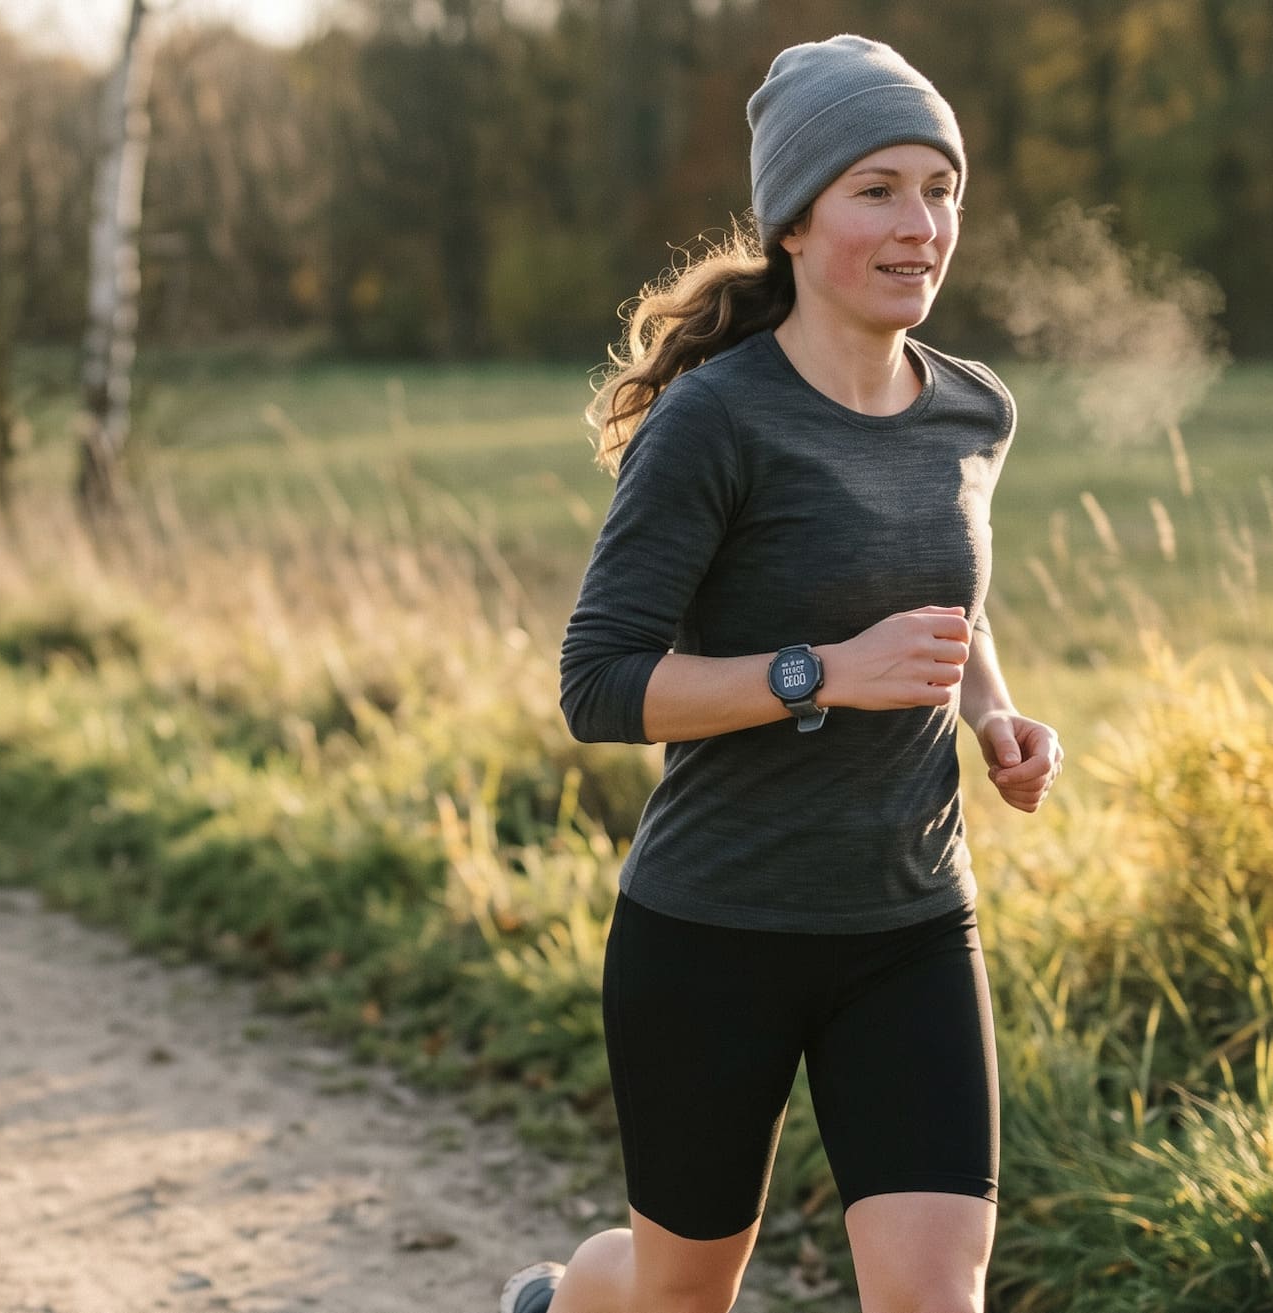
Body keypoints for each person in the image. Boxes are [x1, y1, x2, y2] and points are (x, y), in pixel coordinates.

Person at [498, 33, 1066, 1313]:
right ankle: (562, 1300)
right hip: (713, 928)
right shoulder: (716, 418)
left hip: (911, 920)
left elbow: (944, 597)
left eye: (940, 187)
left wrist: (992, 711)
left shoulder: (972, 411)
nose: (922, 223)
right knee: (675, 1292)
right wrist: (825, 673)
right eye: (878, 189)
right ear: (796, 224)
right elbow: (598, 684)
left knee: (934, 1297)